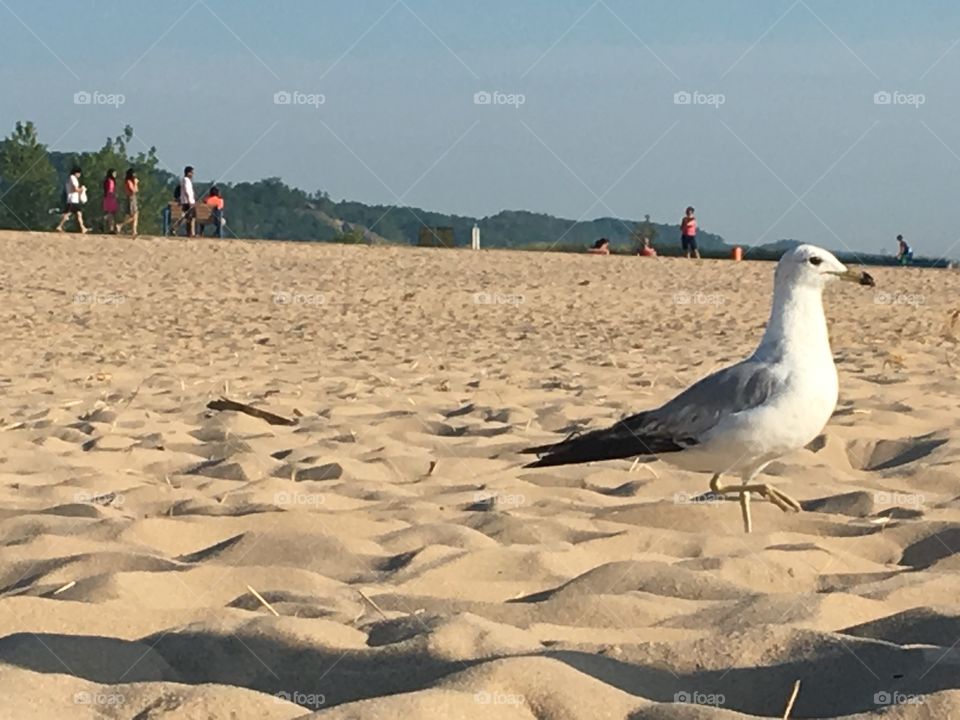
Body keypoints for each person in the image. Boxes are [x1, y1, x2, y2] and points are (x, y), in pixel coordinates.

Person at [55, 167, 90, 233]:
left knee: (78, 213)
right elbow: (75, 189)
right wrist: (82, 189)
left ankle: (82, 228)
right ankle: (59, 226)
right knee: (68, 214)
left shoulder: (70, 178)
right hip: (72, 199)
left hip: (73, 199)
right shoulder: (73, 178)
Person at [175, 165, 196, 237]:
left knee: (187, 217)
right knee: (190, 217)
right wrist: (190, 201)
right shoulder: (186, 180)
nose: (192, 174)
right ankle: (191, 232)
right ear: (188, 173)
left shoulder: (185, 180)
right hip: (188, 202)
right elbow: (187, 191)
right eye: (192, 173)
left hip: (186, 201)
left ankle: (189, 232)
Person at [117, 168, 139, 237]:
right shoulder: (128, 181)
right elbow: (133, 190)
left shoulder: (131, 181)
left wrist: (135, 184)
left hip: (133, 198)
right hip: (131, 198)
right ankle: (120, 225)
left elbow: (137, 190)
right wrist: (135, 183)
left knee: (136, 215)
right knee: (133, 216)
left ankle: (134, 231)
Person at [102, 169, 119, 233]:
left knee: (111, 214)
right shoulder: (110, 181)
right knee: (111, 214)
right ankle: (110, 228)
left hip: (108, 197)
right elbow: (110, 190)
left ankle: (110, 228)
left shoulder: (108, 180)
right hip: (110, 197)